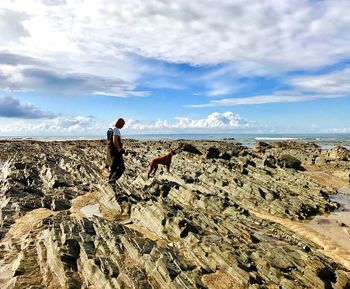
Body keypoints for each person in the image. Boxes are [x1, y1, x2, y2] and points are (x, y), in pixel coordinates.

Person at [108, 118, 125, 184]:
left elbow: (109, 139)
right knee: (121, 167)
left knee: (113, 167)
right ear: (119, 122)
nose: (122, 126)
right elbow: (115, 141)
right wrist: (119, 149)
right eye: (122, 125)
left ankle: (111, 182)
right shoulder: (116, 129)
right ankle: (112, 180)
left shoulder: (110, 128)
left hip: (110, 149)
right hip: (115, 150)